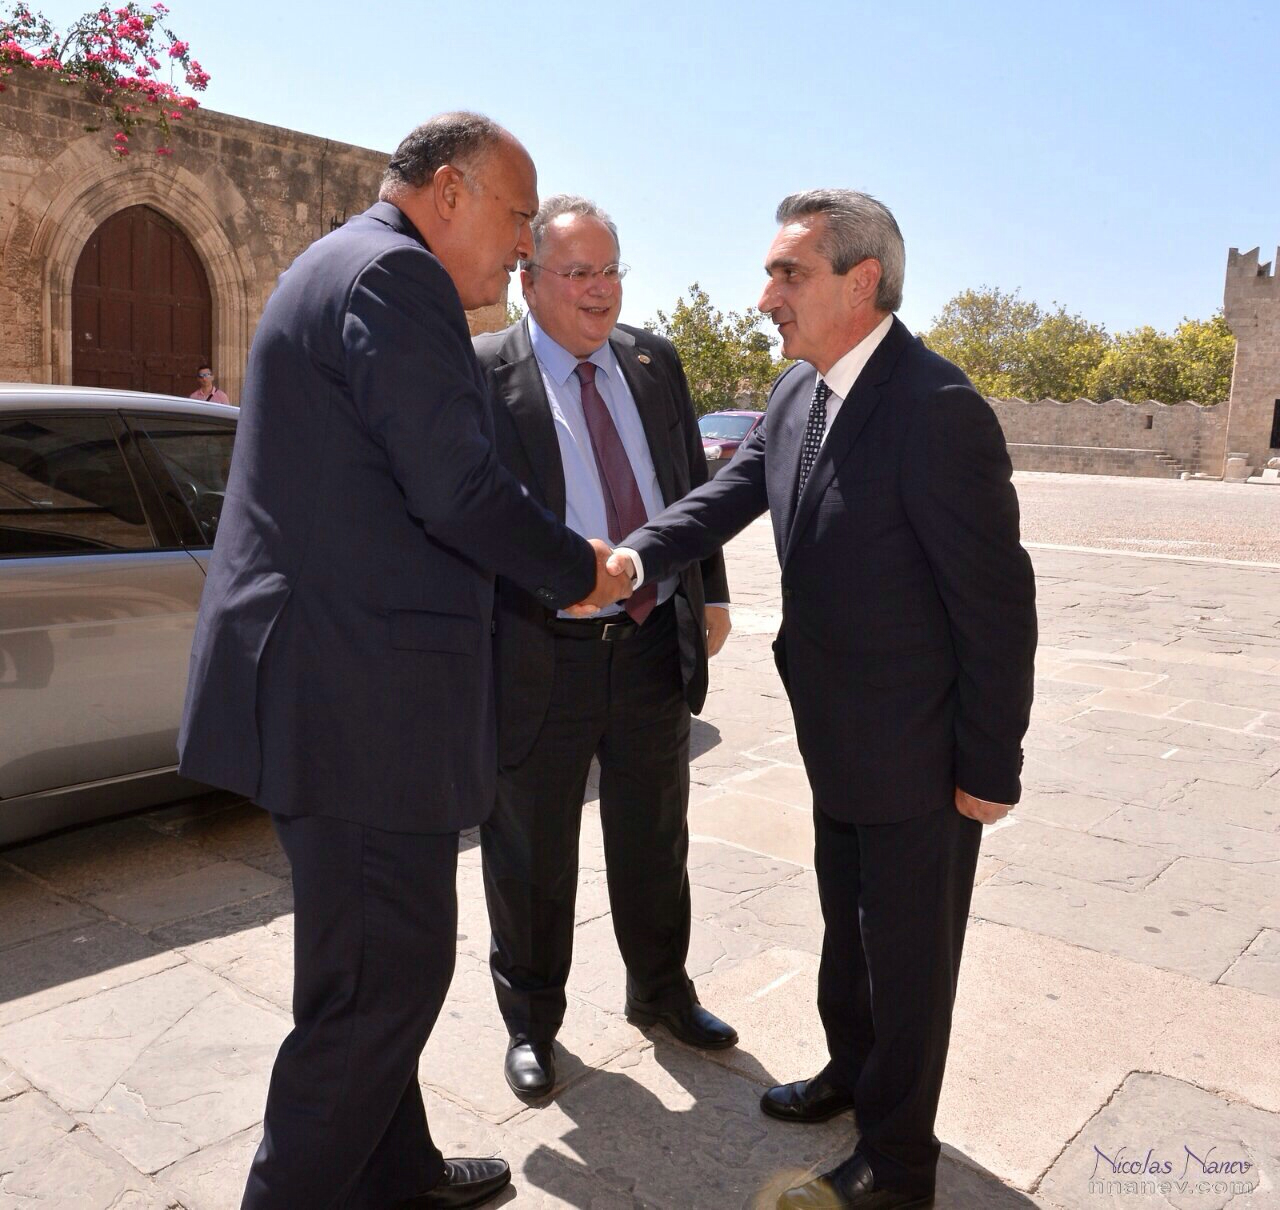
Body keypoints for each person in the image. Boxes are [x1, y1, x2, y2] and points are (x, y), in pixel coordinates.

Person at [178, 113, 625, 1210]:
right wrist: (579, 568)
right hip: (358, 701)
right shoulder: (394, 277)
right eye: (517, 217)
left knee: (368, 971)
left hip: (337, 687)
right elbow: (455, 487)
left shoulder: (343, 262)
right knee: (378, 989)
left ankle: (395, 1175)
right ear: (450, 192)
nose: (522, 246)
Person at [606, 190, 1037, 1210]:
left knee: (909, 961)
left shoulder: (938, 409)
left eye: (787, 274)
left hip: (921, 753)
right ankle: (853, 1072)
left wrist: (989, 765)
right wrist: (633, 558)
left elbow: (996, 607)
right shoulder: (799, 390)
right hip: (835, 733)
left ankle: (899, 1164)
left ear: (861, 280)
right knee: (850, 934)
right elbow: (729, 494)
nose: (766, 297)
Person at [472, 195, 737, 1101]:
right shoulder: (483, 373)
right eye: (578, 272)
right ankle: (531, 1022)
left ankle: (661, 992)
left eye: (611, 269)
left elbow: (691, 490)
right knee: (531, 850)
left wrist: (710, 593)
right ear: (528, 280)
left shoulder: (653, 362)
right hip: (540, 649)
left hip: (652, 642)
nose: (600, 289)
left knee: (656, 835)